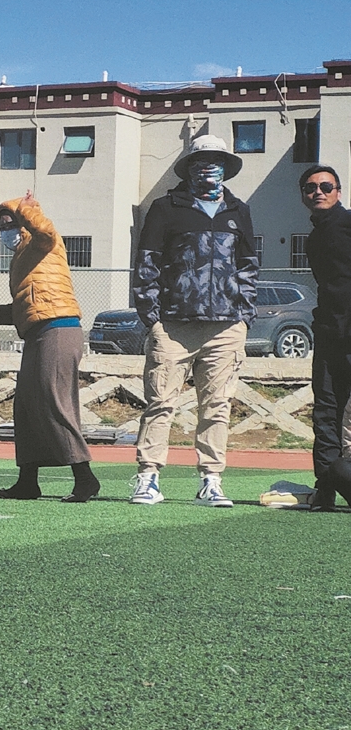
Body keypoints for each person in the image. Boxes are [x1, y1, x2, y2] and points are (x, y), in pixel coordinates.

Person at [131, 134, 258, 508]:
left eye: (216, 161)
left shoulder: (238, 211)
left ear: (226, 167)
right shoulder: (165, 208)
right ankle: (148, 478)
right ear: (188, 168)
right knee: (160, 402)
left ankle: (211, 481)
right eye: (201, 161)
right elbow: (147, 264)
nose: (208, 168)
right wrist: (152, 318)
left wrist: (244, 316)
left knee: (218, 406)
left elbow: (248, 267)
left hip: (226, 327)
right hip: (173, 327)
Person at [0, 194, 99, 502]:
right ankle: (27, 482)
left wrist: (27, 210)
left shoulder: (43, 243)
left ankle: (85, 478)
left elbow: (45, 232)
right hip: (37, 333)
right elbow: (22, 309)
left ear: (25, 221)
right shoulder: (21, 259)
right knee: (25, 407)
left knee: (54, 401)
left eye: (11, 223)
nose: (7, 231)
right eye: (2, 226)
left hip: (59, 328)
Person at [301, 165, 351, 510]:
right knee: (325, 410)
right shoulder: (314, 236)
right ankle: (326, 489)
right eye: (310, 188)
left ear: (338, 192)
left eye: (326, 186)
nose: (318, 192)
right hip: (329, 334)